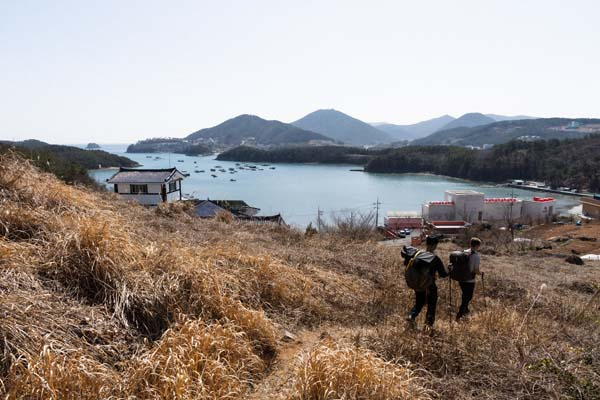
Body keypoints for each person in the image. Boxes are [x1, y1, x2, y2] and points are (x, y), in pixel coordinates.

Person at [406, 235, 449, 327]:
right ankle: (428, 325)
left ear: (426, 244)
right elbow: (443, 274)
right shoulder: (435, 258)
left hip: (418, 284)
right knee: (431, 305)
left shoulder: (417, 254)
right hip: (430, 285)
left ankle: (411, 315)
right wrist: (450, 270)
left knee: (419, 303)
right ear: (435, 245)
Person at [456, 237, 482, 321]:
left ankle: (466, 311)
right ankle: (459, 315)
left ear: (470, 244)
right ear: (477, 245)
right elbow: (475, 270)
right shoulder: (476, 256)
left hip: (461, 278)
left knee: (465, 296)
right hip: (470, 280)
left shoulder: (463, 252)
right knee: (468, 297)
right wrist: (481, 273)